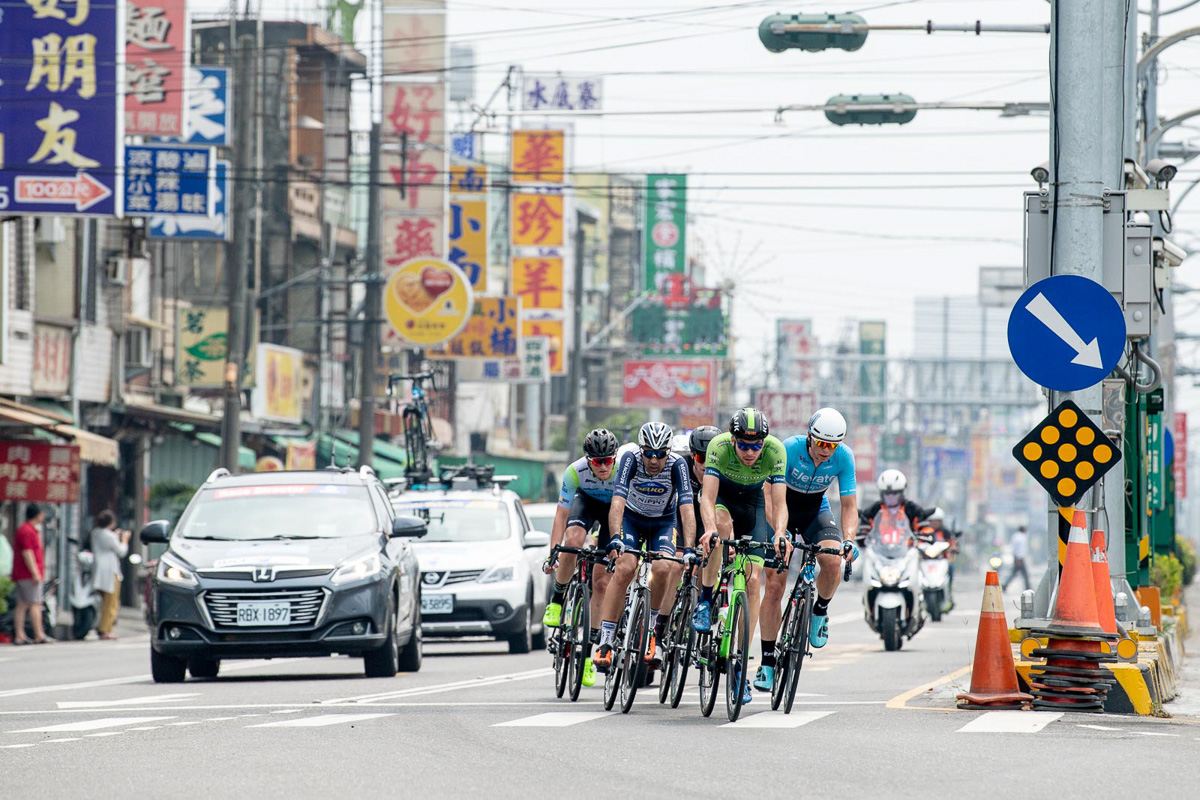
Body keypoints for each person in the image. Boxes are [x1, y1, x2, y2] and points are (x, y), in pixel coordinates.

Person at [754, 408, 859, 692]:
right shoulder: (790, 448)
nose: (826, 451)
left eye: (833, 446)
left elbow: (849, 505)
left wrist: (849, 539)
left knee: (833, 560)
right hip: (780, 508)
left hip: (815, 510)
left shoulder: (844, 457)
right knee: (775, 584)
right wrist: (779, 531)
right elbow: (767, 494)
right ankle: (766, 663)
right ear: (810, 436)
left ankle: (819, 610)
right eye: (822, 444)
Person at [694, 408, 789, 706]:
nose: (750, 452)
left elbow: (779, 501)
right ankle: (706, 600)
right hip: (723, 499)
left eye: (756, 445)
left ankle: (739, 667)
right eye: (744, 445)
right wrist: (709, 530)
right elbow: (707, 498)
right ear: (733, 440)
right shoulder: (719, 447)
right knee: (719, 530)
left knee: (753, 580)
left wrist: (780, 533)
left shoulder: (775, 450)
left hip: (754, 505)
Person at [595, 422, 696, 670]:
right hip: (632, 520)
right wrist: (615, 536)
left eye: (660, 454)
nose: (654, 460)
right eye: (648, 453)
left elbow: (686, 508)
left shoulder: (678, 465)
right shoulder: (630, 459)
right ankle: (606, 639)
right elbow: (617, 500)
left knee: (663, 568)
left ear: (668, 452)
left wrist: (690, 547)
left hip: (663, 522)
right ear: (641, 450)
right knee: (626, 567)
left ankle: (651, 630)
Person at [542, 428, 621, 687]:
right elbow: (561, 515)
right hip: (585, 503)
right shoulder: (574, 471)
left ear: (614, 458)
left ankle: (589, 655)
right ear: (588, 460)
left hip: (613, 511)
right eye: (597, 462)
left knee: (601, 582)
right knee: (573, 541)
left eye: (607, 461)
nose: (602, 467)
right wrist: (554, 551)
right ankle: (557, 599)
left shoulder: (623, 470)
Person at [656, 425, 721, 650]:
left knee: (711, 557)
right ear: (692, 455)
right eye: (701, 458)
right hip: (679, 517)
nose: (705, 465)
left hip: (708, 521)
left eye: (711, 459)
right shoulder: (679, 465)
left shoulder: (725, 472)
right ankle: (659, 626)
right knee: (675, 565)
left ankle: (706, 607)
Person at [12, 505, 53, 645]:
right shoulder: (27, 531)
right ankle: (39, 634)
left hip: (22, 573)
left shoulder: (27, 530)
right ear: (38, 515)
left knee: (22, 604)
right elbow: (27, 553)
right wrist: (35, 573)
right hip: (28, 574)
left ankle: (20, 635)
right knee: (35, 604)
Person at [90, 510, 131, 641]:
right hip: (110, 572)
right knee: (111, 602)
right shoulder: (109, 536)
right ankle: (105, 630)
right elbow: (121, 551)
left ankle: (103, 627)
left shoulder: (95, 533)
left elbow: (107, 539)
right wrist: (124, 540)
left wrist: (115, 535)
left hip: (99, 571)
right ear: (112, 522)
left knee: (104, 602)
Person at [859, 470, 940, 534]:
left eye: (895, 494)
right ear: (881, 494)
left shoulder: (911, 509)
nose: (890, 498)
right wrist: (864, 532)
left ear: (902, 493)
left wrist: (925, 532)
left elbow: (922, 525)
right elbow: (865, 522)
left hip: (907, 551)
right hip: (878, 550)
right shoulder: (874, 509)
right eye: (887, 494)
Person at [1003, 525, 1031, 592]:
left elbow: (1014, 548)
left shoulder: (1015, 536)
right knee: (1025, 574)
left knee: (1014, 573)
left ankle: (1005, 585)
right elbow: (1020, 549)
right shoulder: (1021, 537)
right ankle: (1028, 588)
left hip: (1016, 557)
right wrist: (1019, 558)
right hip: (1020, 558)